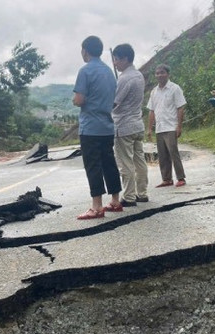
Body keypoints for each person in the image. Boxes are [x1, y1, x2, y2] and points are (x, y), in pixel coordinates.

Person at [73, 36, 122, 220]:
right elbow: (114, 100)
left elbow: (79, 99)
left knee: (93, 166)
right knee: (109, 163)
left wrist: (75, 100)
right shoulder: (109, 71)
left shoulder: (85, 71)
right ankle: (115, 201)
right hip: (107, 127)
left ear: (85, 51)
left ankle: (97, 207)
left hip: (90, 128)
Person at [111, 43, 148, 206]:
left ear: (125, 59)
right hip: (137, 124)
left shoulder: (124, 78)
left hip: (124, 126)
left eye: (117, 59)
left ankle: (129, 196)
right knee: (139, 161)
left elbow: (114, 102)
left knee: (125, 163)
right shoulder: (139, 75)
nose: (115, 63)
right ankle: (142, 193)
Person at [146, 64, 187, 187]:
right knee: (162, 155)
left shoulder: (175, 88)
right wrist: (149, 128)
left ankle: (181, 178)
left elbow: (180, 108)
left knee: (173, 152)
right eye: (157, 73)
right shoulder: (154, 92)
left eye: (162, 72)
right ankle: (167, 179)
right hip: (159, 127)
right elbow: (151, 111)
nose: (159, 75)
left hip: (171, 126)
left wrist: (179, 126)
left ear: (168, 74)